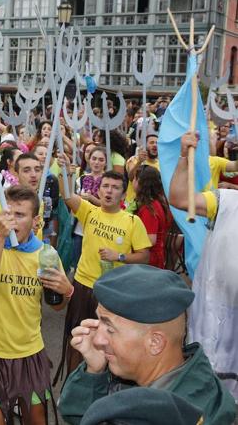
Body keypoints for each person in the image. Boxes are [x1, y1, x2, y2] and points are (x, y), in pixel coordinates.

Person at [58, 265, 236, 424]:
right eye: (99, 322)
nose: (97, 339)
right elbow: (79, 416)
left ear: (155, 343)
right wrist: (94, 373)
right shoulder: (191, 380)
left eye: (110, 329)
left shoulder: (166, 417)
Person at [0, 185, 73, 424]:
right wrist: (0, 237)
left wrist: (67, 292)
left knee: (37, 419)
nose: (12, 221)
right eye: (9, 214)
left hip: (30, 352)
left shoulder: (47, 255)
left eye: (20, 215)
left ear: (36, 220)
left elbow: (57, 306)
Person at [56, 163, 152, 380]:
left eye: (115, 187)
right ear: (99, 190)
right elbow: (67, 195)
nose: (109, 191)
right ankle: (74, 384)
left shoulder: (132, 221)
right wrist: (66, 173)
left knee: (109, 342)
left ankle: (105, 386)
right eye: (105, 186)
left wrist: (118, 256)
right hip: (83, 286)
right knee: (78, 339)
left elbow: (144, 256)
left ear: (123, 193)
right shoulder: (89, 211)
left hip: (113, 291)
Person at [170, 131, 238, 399]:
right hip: (215, 332)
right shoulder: (226, 202)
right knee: (208, 402)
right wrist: (184, 158)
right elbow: (180, 199)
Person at [131, 166, 171, 269]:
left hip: (149, 262)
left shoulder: (149, 208)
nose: (132, 181)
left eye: (135, 178)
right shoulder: (157, 202)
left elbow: (150, 240)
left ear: (141, 183)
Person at [125, 132, 160, 204]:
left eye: (157, 143)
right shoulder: (134, 160)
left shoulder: (161, 165)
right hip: (132, 204)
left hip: (150, 205)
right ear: (145, 145)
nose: (155, 145)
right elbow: (131, 177)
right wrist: (139, 162)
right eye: (151, 142)